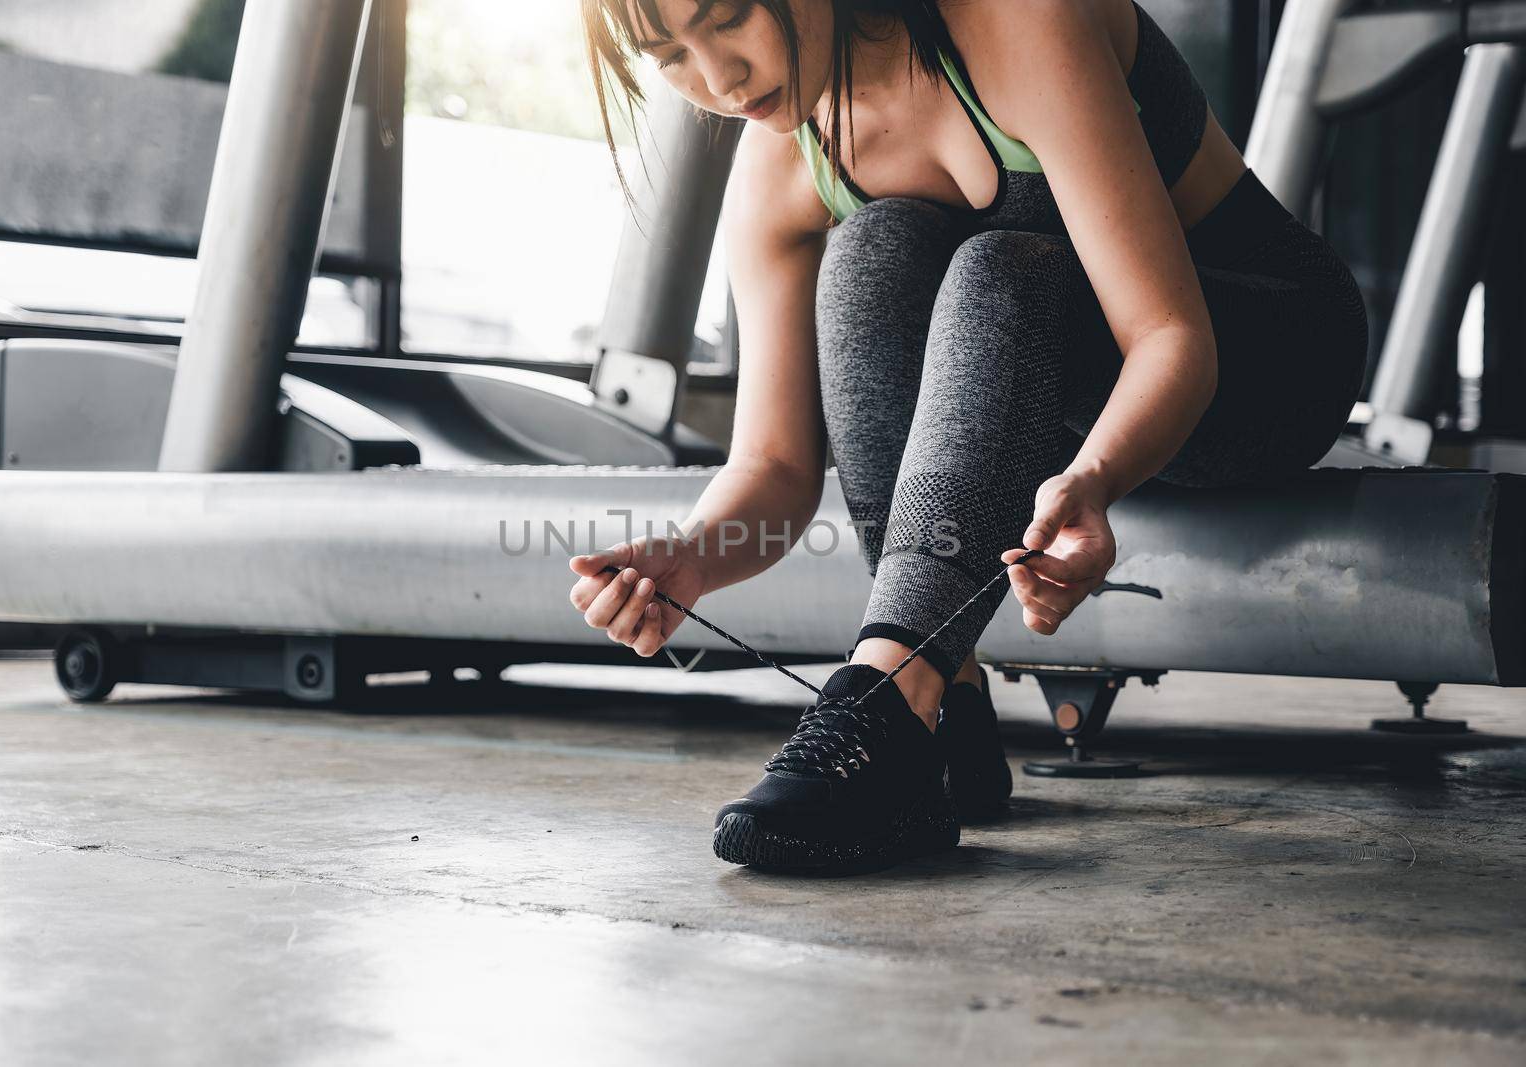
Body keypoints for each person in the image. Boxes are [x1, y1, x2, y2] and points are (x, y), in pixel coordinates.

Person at [566, 0, 1367, 873]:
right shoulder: (777, 171)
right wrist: (693, 557)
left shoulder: (1012, 21)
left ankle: (883, 700)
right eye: (668, 56)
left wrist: (1095, 477)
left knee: (1001, 268)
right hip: (1069, 414)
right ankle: (943, 707)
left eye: (727, 19)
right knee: (871, 251)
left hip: (1262, 355)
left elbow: (1171, 339)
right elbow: (776, 463)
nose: (719, 79)